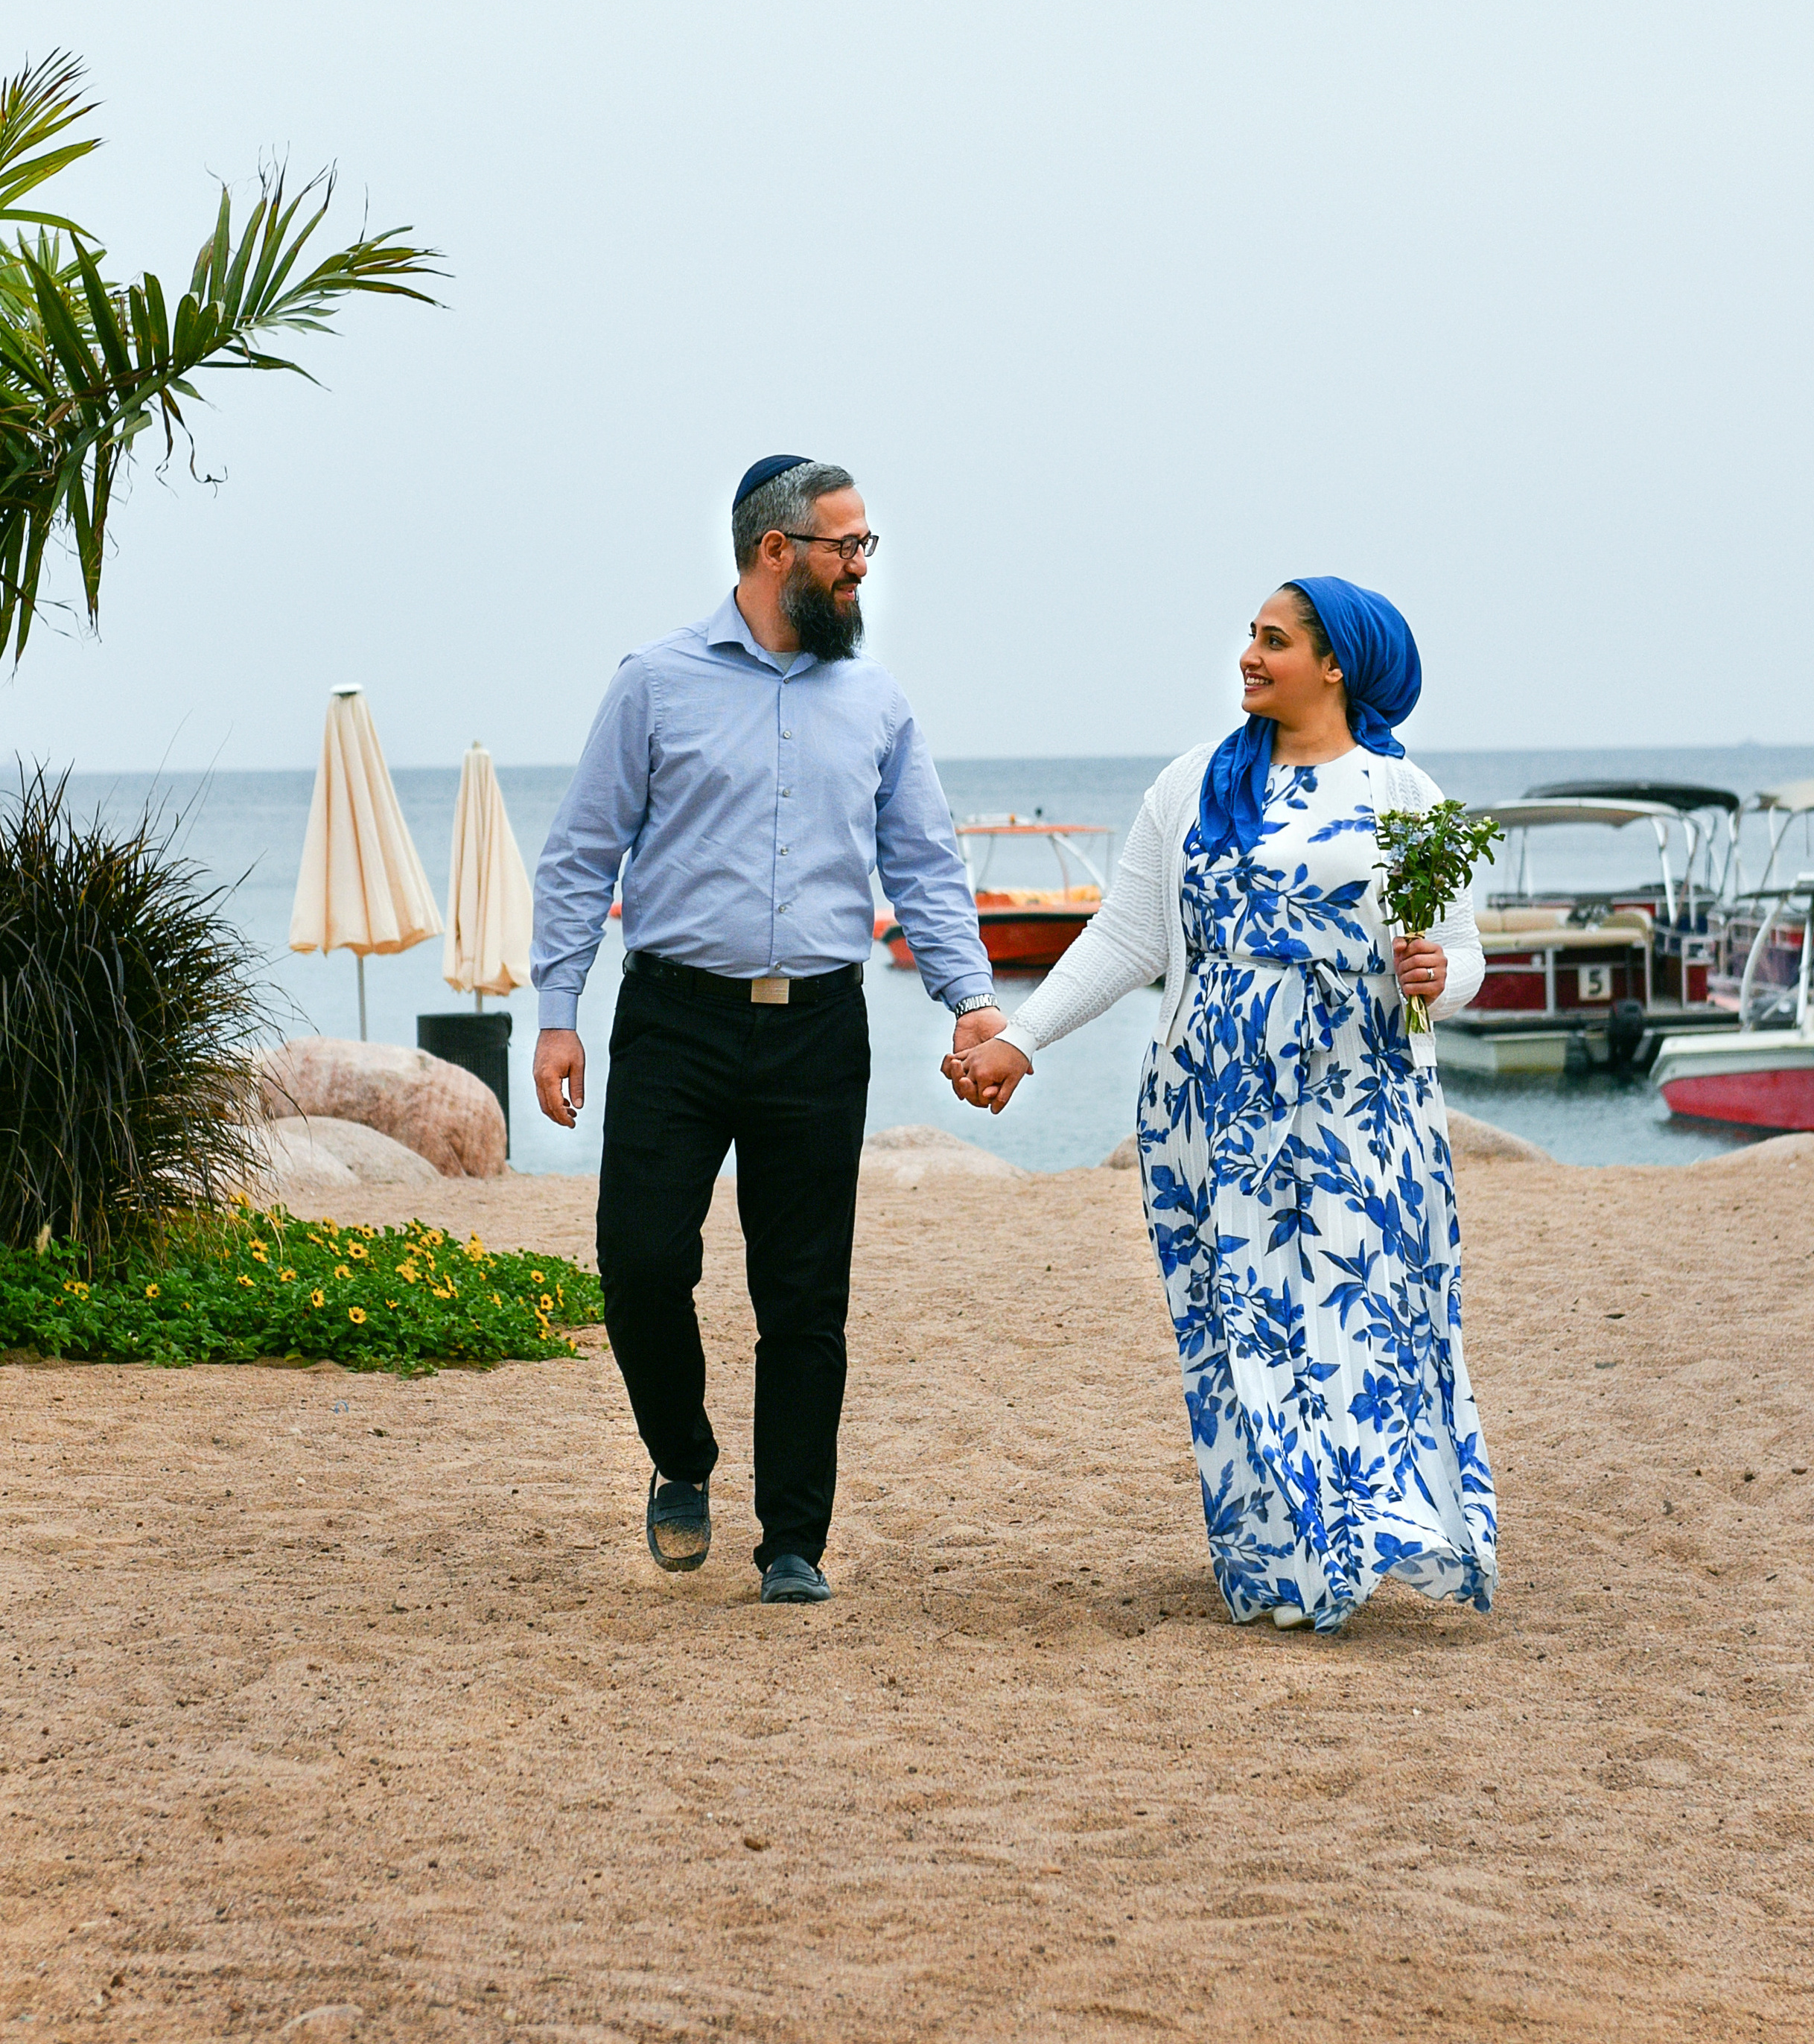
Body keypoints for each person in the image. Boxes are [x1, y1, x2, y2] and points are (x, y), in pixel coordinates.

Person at [945, 577, 1496, 1637]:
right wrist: (1020, 1039)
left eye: (1274, 640)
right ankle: (1281, 1561)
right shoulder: (1194, 784)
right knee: (1236, 1323)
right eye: (1251, 635)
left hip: (1359, 1106)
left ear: (1335, 666)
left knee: (1351, 1321)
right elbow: (1127, 940)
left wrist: (1439, 975)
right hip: (1208, 1102)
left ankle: (1364, 1531)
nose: (1250, 654)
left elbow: (1460, 953)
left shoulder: (1400, 795)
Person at [531, 456, 1006, 1605]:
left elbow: (927, 867)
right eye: (846, 548)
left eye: (865, 549)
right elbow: (582, 852)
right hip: (675, 1024)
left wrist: (973, 1000)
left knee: (805, 1295)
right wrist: (557, 1015)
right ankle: (682, 1460)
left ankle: (793, 1538)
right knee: (641, 1264)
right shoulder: (655, 683)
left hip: (819, 1033)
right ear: (774, 552)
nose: (860, 569)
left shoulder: (878, 706)